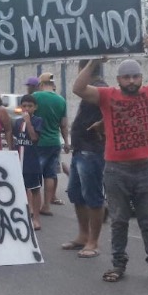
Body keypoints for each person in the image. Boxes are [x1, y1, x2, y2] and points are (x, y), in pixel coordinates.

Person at [73, 37, 148, 285]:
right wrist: (94, 60)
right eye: (127, 77)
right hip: (115, 170)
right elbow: (78, 89)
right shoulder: (107, 96)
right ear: (119, 80)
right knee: (119, 221)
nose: (132, 81)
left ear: (141, 78)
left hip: (143, 168)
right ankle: (118, 265)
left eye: (136, 76)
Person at [63, 60, 107, 259]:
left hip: (92, 150)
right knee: (76, 193)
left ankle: (93, 241)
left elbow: (116, 110)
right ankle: (83, 235)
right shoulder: (94, 87)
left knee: (92, 196)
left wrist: (103, 124)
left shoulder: (100, 88)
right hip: (80, 149)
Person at [32, 73, 70, 217]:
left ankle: (31, 206)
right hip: (54, 142)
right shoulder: (61, 100)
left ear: (41, 84)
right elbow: (64, 125)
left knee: (34, 175)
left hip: (38, 142)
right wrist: (66, 142)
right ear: (53, 85)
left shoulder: (36, 97)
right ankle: (46, 206)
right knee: (50, 174)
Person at [13, 94, 43, 231]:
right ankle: (24, 215)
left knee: (35, 189)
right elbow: (14, 138)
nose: (26, 108)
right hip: (19, 162)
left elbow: (34, 138)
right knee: (21, 189)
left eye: (30, 106)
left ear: (35, 107)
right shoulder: (17, 122)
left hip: (32, 162)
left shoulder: (38, 120)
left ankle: (36, 218)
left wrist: (28, 122)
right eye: (24, 106)